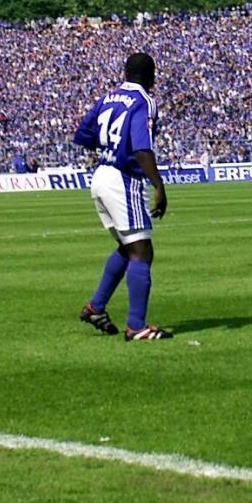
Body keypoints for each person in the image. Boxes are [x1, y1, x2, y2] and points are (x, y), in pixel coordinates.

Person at [73, 52, 172, 341]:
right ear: (151, 76)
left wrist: (108, 147)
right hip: (122, 179)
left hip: (101, 174)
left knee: (128, 249)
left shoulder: (108, 98)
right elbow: (142, 148)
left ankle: (95, 306)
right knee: (143, 251)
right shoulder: (144, 101)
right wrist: (158, 185)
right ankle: (136, 326)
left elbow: (82, 135)